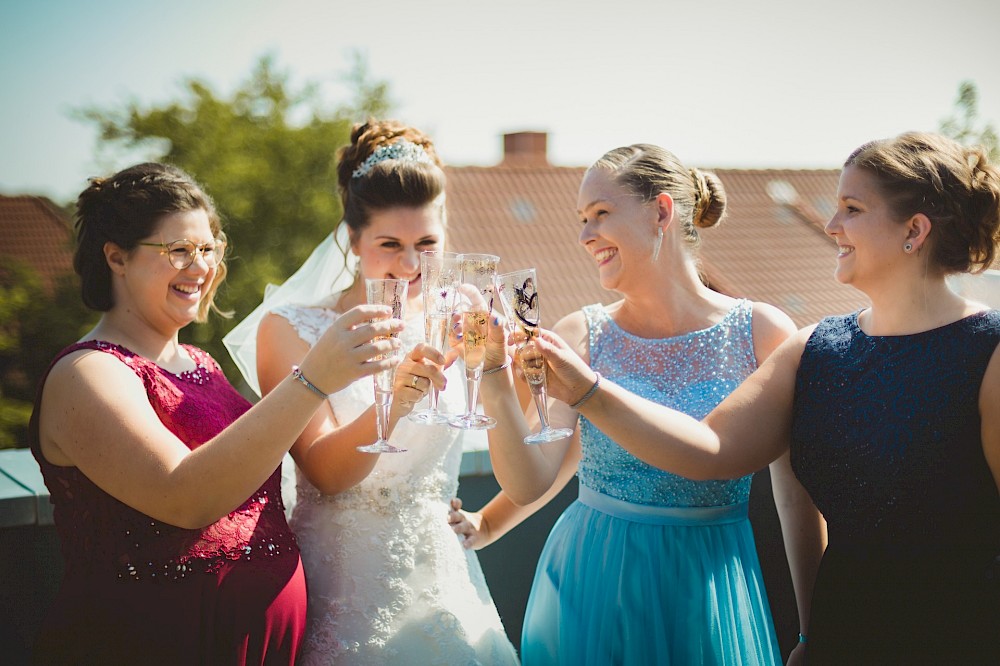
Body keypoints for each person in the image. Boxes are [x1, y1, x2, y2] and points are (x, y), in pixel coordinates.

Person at [529, 132, 1000, 665]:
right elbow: (711, 450)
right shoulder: (815, 350)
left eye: (851, 208)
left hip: (961, 636)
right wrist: (811, 633)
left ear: (914, 230)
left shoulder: (989, 353)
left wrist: (589, 391)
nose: (830, 225)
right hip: (845, 636)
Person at [28, 162, 402, 665]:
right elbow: (185, 497)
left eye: (208, 248)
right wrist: (313, 379)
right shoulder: (88, 373)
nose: (201, 268)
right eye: (178, 250)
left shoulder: (201, 364)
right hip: (156, 644)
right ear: (116, 257)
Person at [456, 143, 795, 665]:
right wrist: (496, 376)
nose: (585, 236)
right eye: (582, 219)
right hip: (595, 579)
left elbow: (797, 493)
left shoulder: (763, 332)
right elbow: (531, 481)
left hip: (712, 584)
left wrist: (815, 627)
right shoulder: (581, 335)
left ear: (661, 211)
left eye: (601, 214)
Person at [225, 119, 520, 665]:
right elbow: (325, 473)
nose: (410, 266)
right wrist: (399, 400)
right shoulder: (291, 329)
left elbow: (518, 441)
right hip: (340, 580)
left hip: (443, 573)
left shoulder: (463, 315)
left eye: (427, 244)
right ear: (353, 239)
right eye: (390, 245)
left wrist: (485, 519)